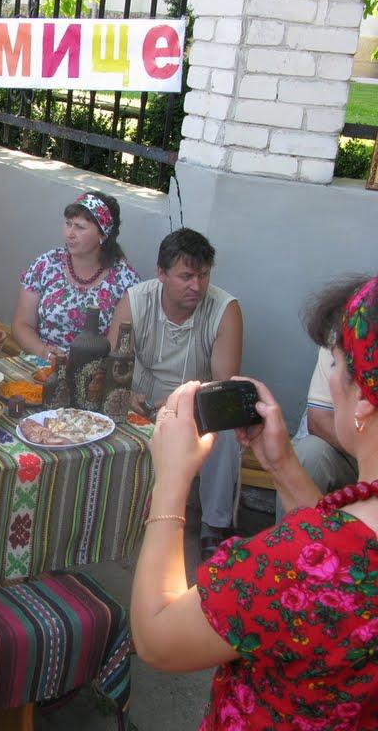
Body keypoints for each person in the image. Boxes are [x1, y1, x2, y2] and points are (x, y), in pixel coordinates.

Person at [131, 276, 378, 728]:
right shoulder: (339, 546)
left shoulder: (290, 565)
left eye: (337, 363)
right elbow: (336, 551)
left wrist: (171, 478)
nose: (330, 376)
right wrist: (282, 464)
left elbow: (157, 636)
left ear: (363, 397)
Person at [108, 228, 243, 559]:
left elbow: (223, 384)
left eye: (203, 275)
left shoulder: (225, 309)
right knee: (102, 407)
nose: (196, 286)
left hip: (196, 404)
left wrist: (181, 403)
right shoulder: (136, 300)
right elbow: (111, 364)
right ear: (161, 273)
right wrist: (125, 395)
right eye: (186, 276)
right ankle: (108, 519)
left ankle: (214, 528)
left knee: (225, 427)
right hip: (137, 399)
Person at [12, 190, 139, 359]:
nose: (70, 233)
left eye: (80, 227)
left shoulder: (125, 281)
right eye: (68, 224)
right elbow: (22, 324)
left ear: (103, 234)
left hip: (92, 375)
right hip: (40, 361)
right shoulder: (47, 264)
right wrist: (44, 353)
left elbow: (115, 349)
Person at [278, 340, 362, 522]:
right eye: (335, 364)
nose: (333, 378)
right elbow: (319, 419)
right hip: (353, 453)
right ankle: (292, 546)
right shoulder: (346, 327)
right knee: (311, 453)